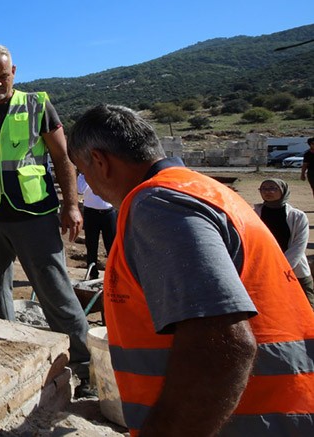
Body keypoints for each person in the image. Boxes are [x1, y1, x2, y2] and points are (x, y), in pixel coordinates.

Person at [68, 104, 314, 435]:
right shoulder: (199, 189)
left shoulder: (158, 205)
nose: (87, 184)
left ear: (100, 161)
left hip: (248, 422)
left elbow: (220, 347)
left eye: (83, 171)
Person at [0, 44, 91, 366]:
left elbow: (62, 157)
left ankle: (83, 362)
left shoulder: (37, 106)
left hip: (34, 214)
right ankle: (8, 352)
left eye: (3, 76)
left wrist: (71, 205)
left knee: (54, 289)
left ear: (13, 72)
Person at [254, 178, 314, 309]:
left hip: (293, 268)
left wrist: (281, 267)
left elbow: (299, 245)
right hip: (264, 268)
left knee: (306, 306)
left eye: (272, 188)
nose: (268, 192)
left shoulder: (298, 216)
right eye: (264, 189)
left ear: (283, 191)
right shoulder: (254, 214)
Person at [77, 173, 116, 279]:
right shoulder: (83, 175)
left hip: (108, 212)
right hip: (91, 213)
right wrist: (87, 174)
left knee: (111, 246)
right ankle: (93, 274)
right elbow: (80, 189)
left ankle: (114, 275)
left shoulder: (108, 171)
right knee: (91, 245)